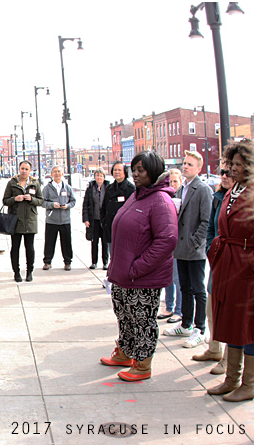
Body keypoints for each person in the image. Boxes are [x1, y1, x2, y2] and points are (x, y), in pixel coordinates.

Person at [100, 151, 178, 382]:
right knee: (124, 315)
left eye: (140, 170)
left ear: (153, 172)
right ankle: (125, 351)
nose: (135, 174)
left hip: (142, 276)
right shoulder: (138, 195)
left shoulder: (161, 201)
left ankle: (142, 364)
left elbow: (167, 240)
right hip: (124, 274)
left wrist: (136, 268)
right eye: (133, 169)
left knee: (142, 320)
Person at [207, 140, 254, 402]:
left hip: (246, 265)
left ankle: (248, 384)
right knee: (228, 320)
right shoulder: (232, 190)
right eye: (232, 163)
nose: (233, 168)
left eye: (239, 164)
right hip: (227, 261)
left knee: (247, 325)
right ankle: (231, 379)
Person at [163, 151, 212, 349]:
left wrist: (194, 242)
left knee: (198, 289)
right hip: (180, 248)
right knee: (185, 287)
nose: (185, 166)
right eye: (184, 163)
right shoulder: (181, 188)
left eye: (190, 164)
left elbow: (206, 220)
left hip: (194, 249)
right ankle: (186, 324)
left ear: (198, 168)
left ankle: (200, 328)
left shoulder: (203, 189)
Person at [192, 162, 234, 374]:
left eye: (229, 172)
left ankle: (229, 359)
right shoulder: (218, 197)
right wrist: (211, 249)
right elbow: (210, 227)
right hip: (217, 260)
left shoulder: (242, 199)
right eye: (222, 172)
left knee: (230, 312)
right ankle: (214, 348)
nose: (224, 176)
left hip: (235, 262)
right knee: (212, 308)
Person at [3, 160, 44, 282]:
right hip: (15, 219)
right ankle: (16, 272)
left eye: (26, 169)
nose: (24, 171)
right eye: (22, 168)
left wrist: (32, 199)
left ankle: (29, 272)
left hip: (30, 220)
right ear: (19, 169)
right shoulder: (12, 183)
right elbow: (5, 200)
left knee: (29, 248)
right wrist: (15, 198)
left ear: (30, 171)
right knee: (15, 247)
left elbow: (41, 201)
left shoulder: (35, 183)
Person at [157, 168, 183, 323]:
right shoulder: (164, 197)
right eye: (170, 181)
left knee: (177, 278)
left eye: (175, 181)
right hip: (167, 242)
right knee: (168, 277)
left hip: (180, 243)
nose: (172, 184)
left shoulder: (182, 197)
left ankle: (178, 310)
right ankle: (169, 306)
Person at [42, 165, 76, 271]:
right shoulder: (47, 188)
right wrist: (52, 205)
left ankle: (67, 262)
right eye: (55, 171)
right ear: (51, 174)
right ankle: (47, 262)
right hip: (52, 220)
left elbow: (73, 201)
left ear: (62, 173)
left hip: (65, 220)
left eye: (59, 171)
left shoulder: (67, 187)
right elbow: (42, 202)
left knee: (66, 242)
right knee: (49, 241)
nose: (57, 173)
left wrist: (67, 206)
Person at [101, 162, 135, 255]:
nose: (117, 172)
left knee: (124, 257)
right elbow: (104, 207)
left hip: (124, 230)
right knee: (113, 256)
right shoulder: (109, 188)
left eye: (119, 170)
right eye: (115, 170)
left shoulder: (131, 189)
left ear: (125, 172)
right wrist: (104, 221)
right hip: (110, 228)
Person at [82, 167, 110, 270]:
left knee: (105, 242)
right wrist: (86, 219)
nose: (99, 177)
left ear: (104, 177)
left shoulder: (108, 187)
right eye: (97, 175)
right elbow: (85, 204)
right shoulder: (90, 188)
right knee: (94, 242)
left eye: (101, 175)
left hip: (104, 220)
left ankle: (105, 262)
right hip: (94, 219)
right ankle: (94, 262)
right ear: (94, 177)